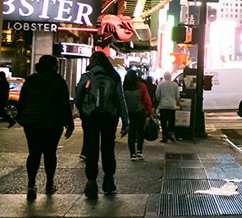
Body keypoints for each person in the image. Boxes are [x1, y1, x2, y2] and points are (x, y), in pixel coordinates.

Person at [14, 55, 74, 200]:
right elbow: (64, 106)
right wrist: (69, 124)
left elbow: (22, 102)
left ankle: (31, 185)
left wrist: (21, 118)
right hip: (52, 123)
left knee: (34, 153)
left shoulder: (30, 81)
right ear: (53, 66)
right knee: (50, 153)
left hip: (32, 122)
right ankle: (49, 183)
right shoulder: (59, 82)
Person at [74, 51, 129, 198]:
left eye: (92, 59)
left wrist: (83, 112)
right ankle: (109, 181)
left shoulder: (87, 76)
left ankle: (91, 183)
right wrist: (125, 121)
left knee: (91, 148)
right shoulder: (113, 76)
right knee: (108, 147)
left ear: (95, 61)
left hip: (90, 118)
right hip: (109, 118)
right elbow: (120, 101)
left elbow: (78, 98)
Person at [123, 70, 153, 160]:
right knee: (141, 131)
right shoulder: (141, 86)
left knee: (131, 133)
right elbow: (147, 100)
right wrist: (149, 111)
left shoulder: (124, 87)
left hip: (129, 112)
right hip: (140, 111)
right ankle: (139, 151)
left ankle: (132, 154)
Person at [156, 71, 180, 143]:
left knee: (163, 122)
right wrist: (175, 102)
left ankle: (164, 137)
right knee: (171, 121)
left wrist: (159, 101)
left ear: (164, 76)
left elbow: (157, 95)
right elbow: (177, 96)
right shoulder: (175, 85)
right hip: (172, 106)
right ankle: (171, 135)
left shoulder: (160, 84)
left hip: (163, 106)